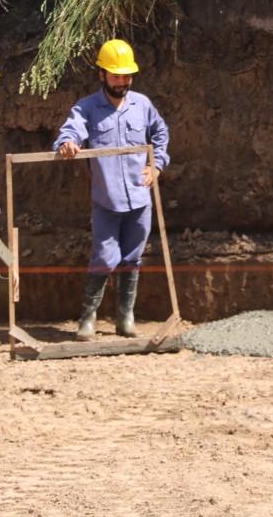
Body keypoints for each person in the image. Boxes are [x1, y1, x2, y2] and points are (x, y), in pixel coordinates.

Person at [53, 39, 170, 341]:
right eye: (116, 76)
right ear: (101, 74)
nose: (123, 82)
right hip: (106, 201)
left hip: (139, 199)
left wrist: (155, 166)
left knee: (132, 258)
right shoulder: (88, 108)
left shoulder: (141, 105)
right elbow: (71, 130)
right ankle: (87, 319)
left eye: (127, 76)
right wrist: (67, 144)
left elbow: (160, 133)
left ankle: (125, 318)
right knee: (105, 259)